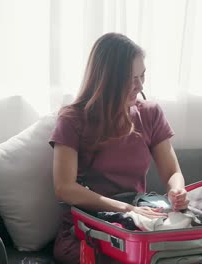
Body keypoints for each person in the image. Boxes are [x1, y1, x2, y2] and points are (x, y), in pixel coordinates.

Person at [49, 32, 189, 264]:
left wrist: (177, 190)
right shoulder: (73, 119)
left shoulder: (150, 113)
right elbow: (64, 188)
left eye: (142, 76)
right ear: (108, 79)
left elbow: (172, 172)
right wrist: (125, 209)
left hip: (136, 225)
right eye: (132, 78)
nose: (140, 85)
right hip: (89, 227)